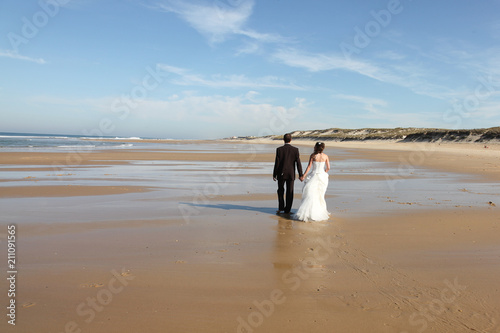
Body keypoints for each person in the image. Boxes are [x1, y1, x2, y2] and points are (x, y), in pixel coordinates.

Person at [294, 142, 330, 222]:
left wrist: (303, 175)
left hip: (313, 176)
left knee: (310, 193)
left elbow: (309, 166)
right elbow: (328, 168)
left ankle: (309, 212)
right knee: (320, 195)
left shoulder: (313, 156)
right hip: (322, 177)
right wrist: (324, 172)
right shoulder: (325, 156)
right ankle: (319, 211)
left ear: (316, 148)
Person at [273, 133, 303, 214]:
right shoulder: (295, 150)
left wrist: (274, 174)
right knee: (290, 192)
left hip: (281, 173)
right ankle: (287, 210)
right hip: (291, 174)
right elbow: (298, 163)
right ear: (291, 140)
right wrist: (301, 174)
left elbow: (277, 163)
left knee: (280, 191)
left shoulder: (279, 149)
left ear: (283, 140)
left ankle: (281, 208)